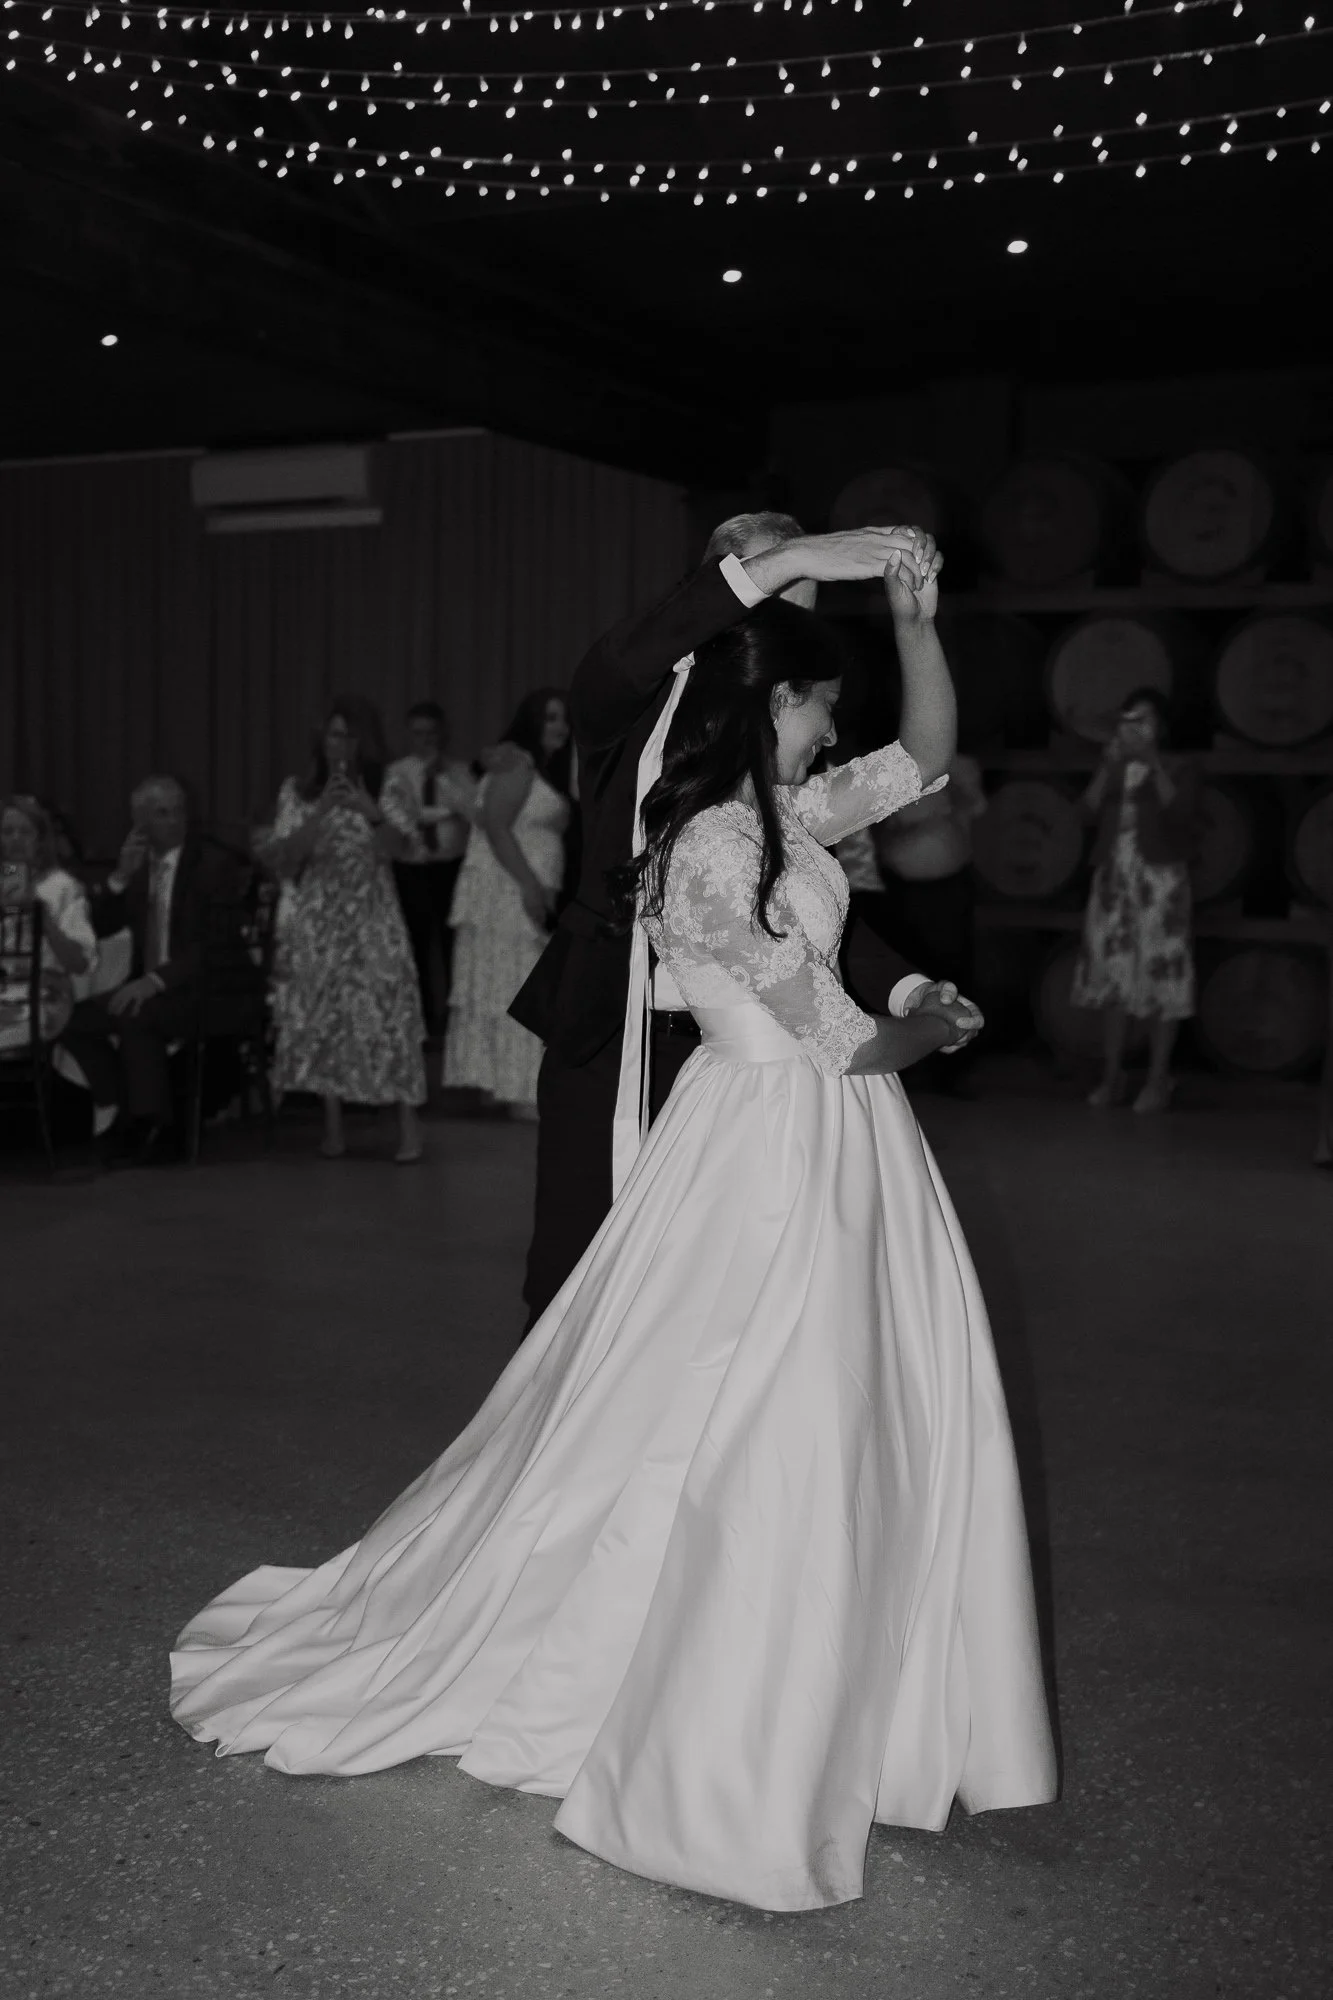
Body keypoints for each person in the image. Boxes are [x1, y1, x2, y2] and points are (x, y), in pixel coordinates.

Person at [170, 560, 1057, 1915]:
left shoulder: (792, 815)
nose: (834, 725)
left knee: (838, 1410)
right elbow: (839, 1040)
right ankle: (718, 1716)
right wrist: (929, 1024)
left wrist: (920, 625)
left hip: (837, 1143)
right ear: (767, 707)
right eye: (820, 703)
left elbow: (926, 761)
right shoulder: (705, 846)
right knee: (762, 1414)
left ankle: (838, 1699)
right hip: (773, 1136)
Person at [509, 515, 983, 1330]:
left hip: (755, 1075)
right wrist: (797, 557)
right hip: (621, 1044)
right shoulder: (622, 710)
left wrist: (916, 622)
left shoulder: (779, 798)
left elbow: (908, 776)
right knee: (584, 1290)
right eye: (770, 604)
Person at [258, 696, 427, 1163]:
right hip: (320, 916)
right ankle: (332, 1129)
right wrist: (320, 812)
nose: (342, 744)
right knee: (328, 1016)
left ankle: (408, 1129)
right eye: (334, 734)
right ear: (322, 738)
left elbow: (407, 850)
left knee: (390, 1010)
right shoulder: (298, 790)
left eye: (351, 735)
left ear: (365, 740)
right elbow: (283, 858)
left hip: (373, 914)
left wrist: (371, 810)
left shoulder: (389, 784)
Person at [60, 776, 241, 1165]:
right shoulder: (139, 867)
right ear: (139, 822)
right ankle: (119, 1106)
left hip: (208, 988)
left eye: (179, 811)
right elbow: (101, 928)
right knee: (73, 1019)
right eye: (162, 813)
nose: (175, 821)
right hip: (155, 986)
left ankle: (153, 1126)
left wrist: (155, 980)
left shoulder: (213, 865)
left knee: (136, 1015)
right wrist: (121, 878)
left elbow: (213, 945)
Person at [443, 689, 572, 1120]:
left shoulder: (529, 765)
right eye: (551, 718)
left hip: (514, 888)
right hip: (508, 892)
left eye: (564, 719)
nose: (561, 727)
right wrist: (531, 887)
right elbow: (497, 827)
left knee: (510, 981)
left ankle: (504, 1082)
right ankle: (517, 1087)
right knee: (516, 982)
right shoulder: (518, 763)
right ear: (532, 722)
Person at [1072, 687, 1200, 1114]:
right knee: (1113, 979)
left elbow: (1182, 815)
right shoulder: (1114, 766)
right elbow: (1084, 814)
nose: (1136, 728)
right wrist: (1108, 768)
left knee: (1163, 976)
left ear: (1161, 726)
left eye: (1144, 720)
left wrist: (1152, 762)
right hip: (1114, 879)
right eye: (1130, 720)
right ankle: (1113, 1077)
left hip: (1160, 880)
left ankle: (1159, 1079)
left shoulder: (1178, 766)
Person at [875, 751, 989, 1094]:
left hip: (947, 885)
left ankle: (954, 1070)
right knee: (906, 970)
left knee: (952, 970)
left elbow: (979, 808)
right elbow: (875, 825)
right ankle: (910, 1065)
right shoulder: (890, 762)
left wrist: (956, 797)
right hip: (899, 887)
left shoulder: (959, 763)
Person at [382, 702, 480, 1036]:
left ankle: (456, 1025)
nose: (425, 740)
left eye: (432, 733)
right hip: (412, 870)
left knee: (455, 947)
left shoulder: (460, 771)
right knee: (417, 947)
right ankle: (422, 1023)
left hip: (452, 869)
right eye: (418, 733)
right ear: (409, 735)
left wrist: (444, 781)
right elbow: (400, 816)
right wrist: (436, 813)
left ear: (443, 734)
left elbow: (472, 814)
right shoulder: (396, 773)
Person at [0, 795, 98, 1057]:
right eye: (8, 832)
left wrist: (43, 918)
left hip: (43, 996)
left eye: (25, 832)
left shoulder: (63, 887)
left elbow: (80, 963)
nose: (16, 840)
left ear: (40, 841)